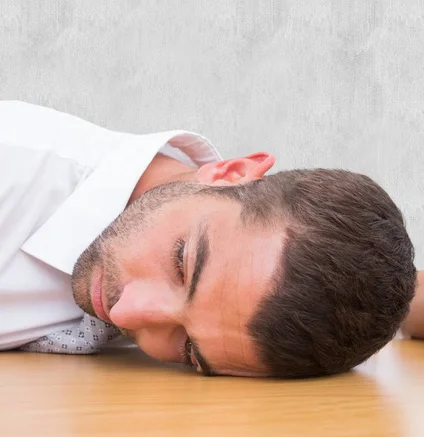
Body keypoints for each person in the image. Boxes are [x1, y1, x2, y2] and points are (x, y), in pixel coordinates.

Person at [0, 101, 419, 377]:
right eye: (182, 263)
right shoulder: (14, 171)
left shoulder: (231, 266)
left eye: (187, 349)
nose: (127, 314)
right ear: (229, 172)